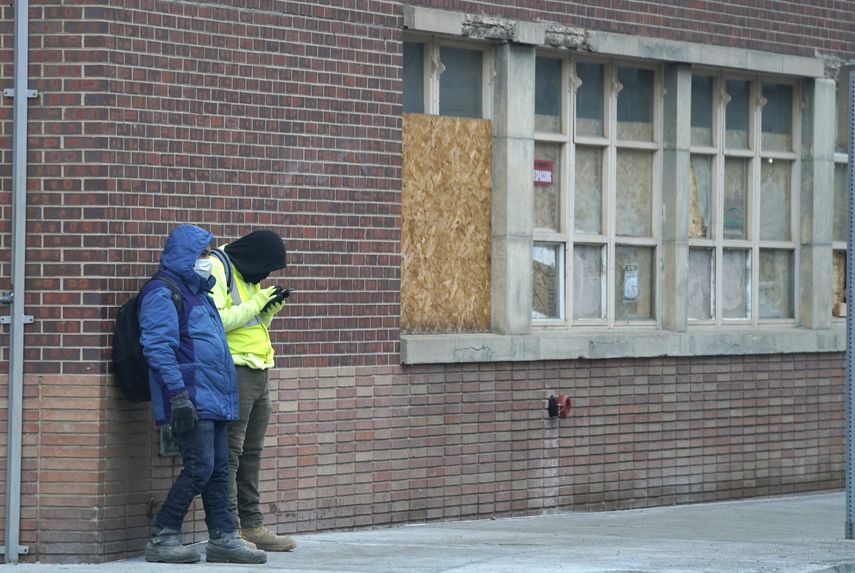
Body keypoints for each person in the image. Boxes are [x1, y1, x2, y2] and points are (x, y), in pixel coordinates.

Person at [138, 224, 267, 565]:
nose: (207, 260)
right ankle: (163, 534)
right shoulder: (162, 292)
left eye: (209, 254)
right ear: (186, 255)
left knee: (219, 470)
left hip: (215, 397)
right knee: (200, 467)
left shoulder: (201, 293)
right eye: (203, 254)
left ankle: (223, 538)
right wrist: (178, 395)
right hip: (191, 396)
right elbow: (159, 348)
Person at [209, 229, 296, 552]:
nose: (265, 277)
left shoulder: (248, 273)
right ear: (251, 257)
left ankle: (252, 524)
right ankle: (231, 529)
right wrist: (258, 301)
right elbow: (216, 320)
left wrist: (265, 312)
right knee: (231, 452)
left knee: (252, 452)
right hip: (233, 369)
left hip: (258, 367)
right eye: (265, 269)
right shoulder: (219, 268)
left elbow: (245, 323)